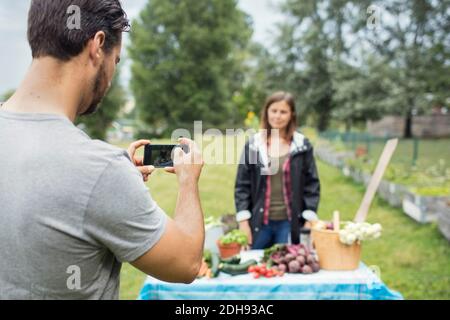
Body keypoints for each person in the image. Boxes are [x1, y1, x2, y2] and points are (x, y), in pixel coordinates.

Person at [0, 0, 204, 299]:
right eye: (116, 60)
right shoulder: (99, 170)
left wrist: (103, 188)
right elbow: (186, 264)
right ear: (97, 45)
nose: (111, 77)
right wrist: (188, 180)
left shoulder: (98, 174)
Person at [235, 92, 320, 249]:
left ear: (291, 114)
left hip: (289, 223)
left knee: (286, 267)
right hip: (259, 223)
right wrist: (243, 222)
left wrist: (309, 219)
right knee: (255, 267)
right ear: (266, 112)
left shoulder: (302, 146)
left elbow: (311, 185)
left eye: (283, 112)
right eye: (274, 111)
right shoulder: (254, 146)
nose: (278, 116)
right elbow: (242, 186)